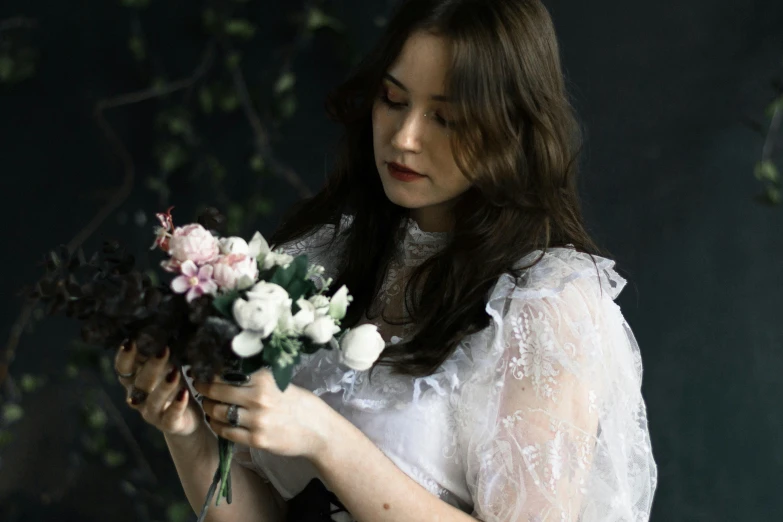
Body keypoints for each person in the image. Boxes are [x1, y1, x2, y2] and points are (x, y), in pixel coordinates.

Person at [114, 0, 658, 520]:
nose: (404, 137)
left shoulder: (545, 304)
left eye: (445, 118)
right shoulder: (325, 255)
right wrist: (187, 432)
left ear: (511, 129)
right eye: (393, 100)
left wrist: (328, 438)